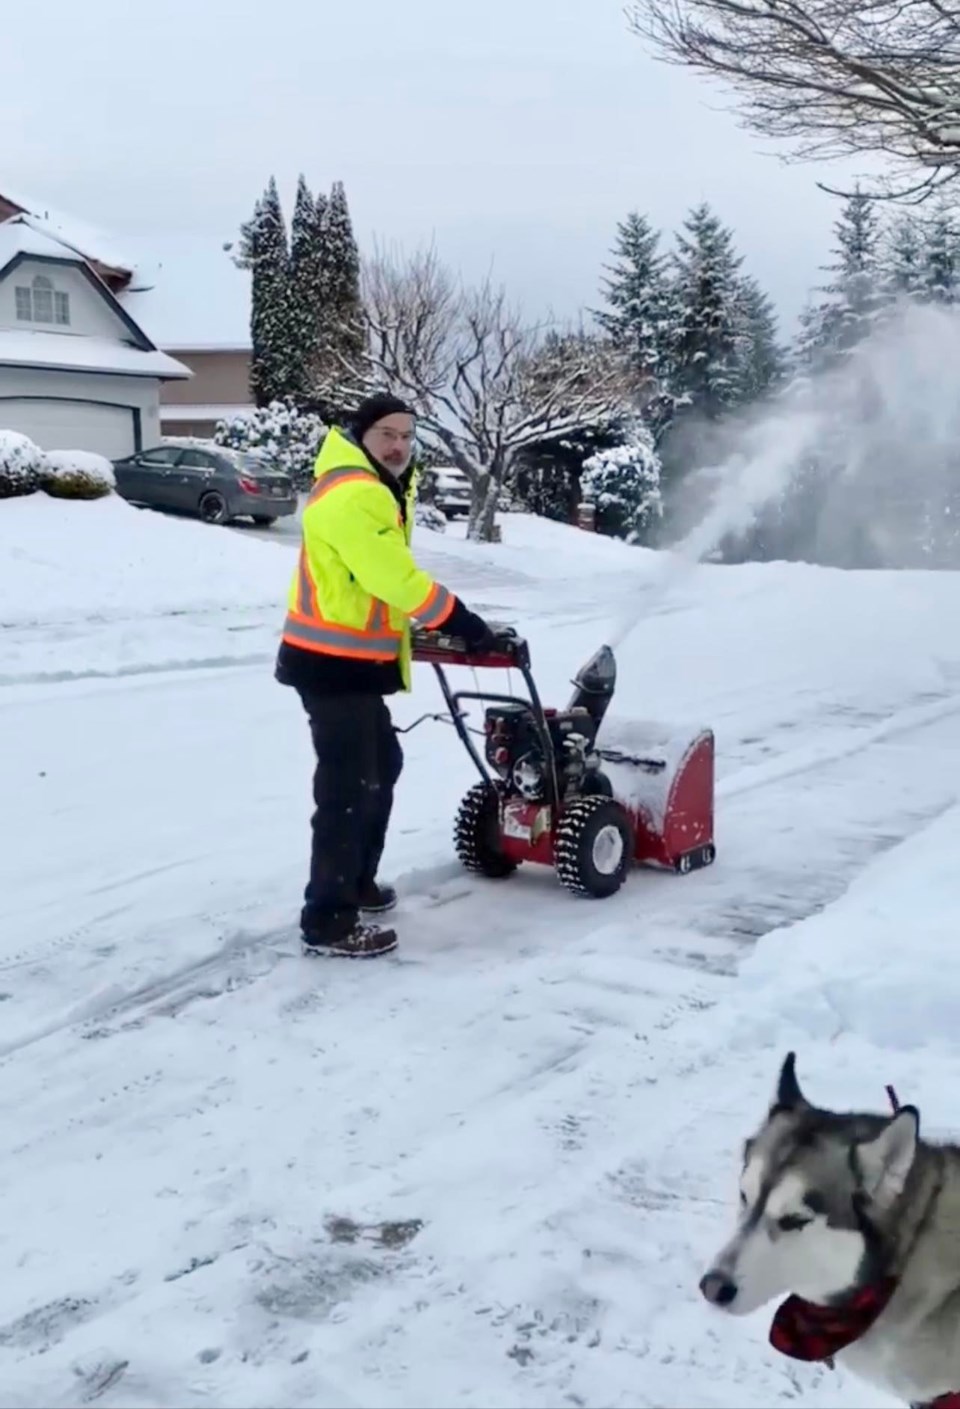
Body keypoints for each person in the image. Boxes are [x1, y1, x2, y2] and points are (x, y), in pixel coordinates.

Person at [275, 393, 494, 960]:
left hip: (353, 662)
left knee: (381, 766)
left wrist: (418, 633)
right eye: (386, 435)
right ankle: (328, 921)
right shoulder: (354, 494)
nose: (398, 445)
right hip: (330, 664)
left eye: (406, 435)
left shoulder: (377, 486)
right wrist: (460, 620)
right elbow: (390, 577)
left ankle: (357, 884)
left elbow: (365, 586)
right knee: (346, 788)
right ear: (361, 435)